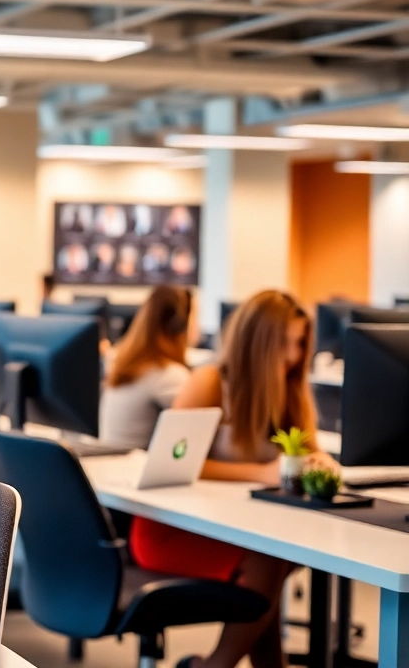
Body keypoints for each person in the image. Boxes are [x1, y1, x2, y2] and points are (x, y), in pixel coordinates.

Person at [133, 291, 336, 668]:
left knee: (270, 564)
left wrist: (317, 460)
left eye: (299, 344)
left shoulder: (288, 388)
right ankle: (213, 666)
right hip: (173, 530)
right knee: (269, 558)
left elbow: (307, 450)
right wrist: (261, 473)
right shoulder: (209, 382)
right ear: (257, 341)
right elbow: (174, 463)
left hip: (238, 530)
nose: (293, 357)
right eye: (284, 344)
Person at [99, 286, 197, 449]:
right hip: (136, 469)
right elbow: (201, 438)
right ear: (179, 324)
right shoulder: (168, 375)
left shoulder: (125, 363)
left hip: (115, 465)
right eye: (195, 317)